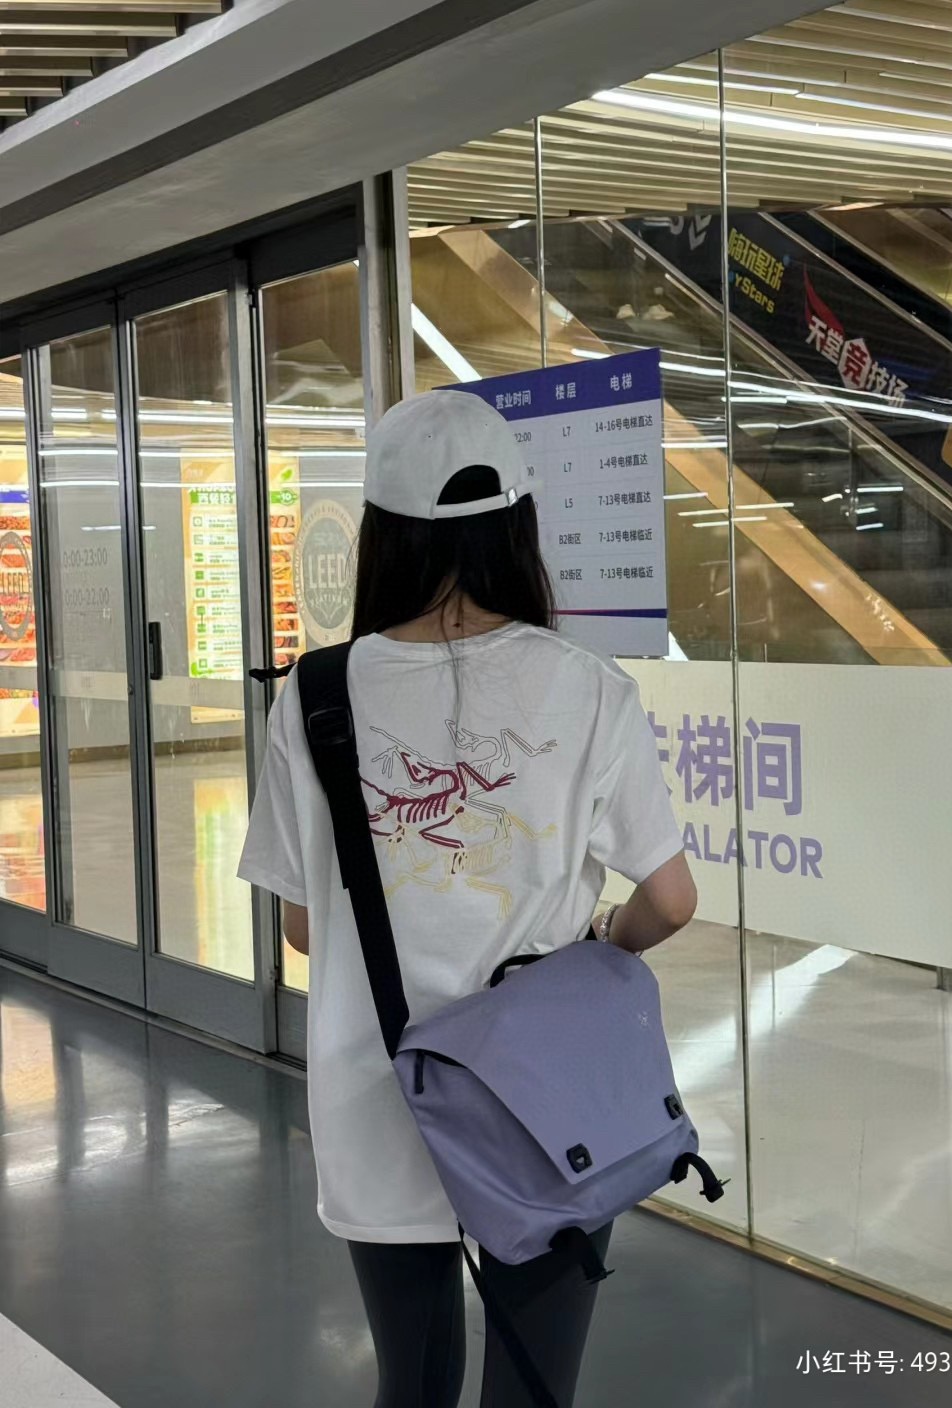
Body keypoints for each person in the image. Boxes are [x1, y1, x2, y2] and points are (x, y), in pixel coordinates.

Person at [237, 389, 697, 1408]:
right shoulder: (591, 688)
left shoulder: (313, 695)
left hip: (380, 1096)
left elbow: (304, 929)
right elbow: (670, 900)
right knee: (534, 1389)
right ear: (518, 526)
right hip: (545, 1100)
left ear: (381, 535)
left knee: (413, 1381)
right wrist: (603, 935)